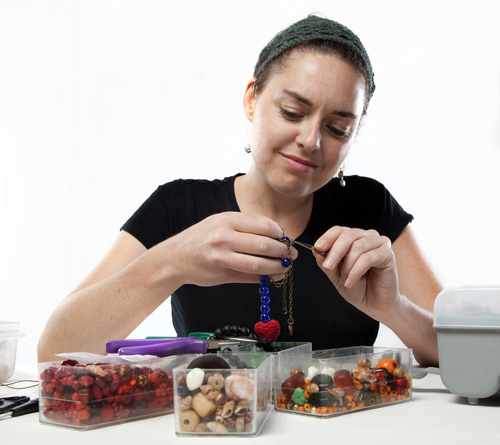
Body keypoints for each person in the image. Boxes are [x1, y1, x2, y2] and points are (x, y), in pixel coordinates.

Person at [38, 15, 443, 366]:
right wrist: (171, 262)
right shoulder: (178, 207)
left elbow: (468, 356)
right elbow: (54, 351)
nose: (310, 140)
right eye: (292, 112)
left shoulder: (369, 207)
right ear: (251, 100)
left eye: (338, 129)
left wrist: (393, 307)